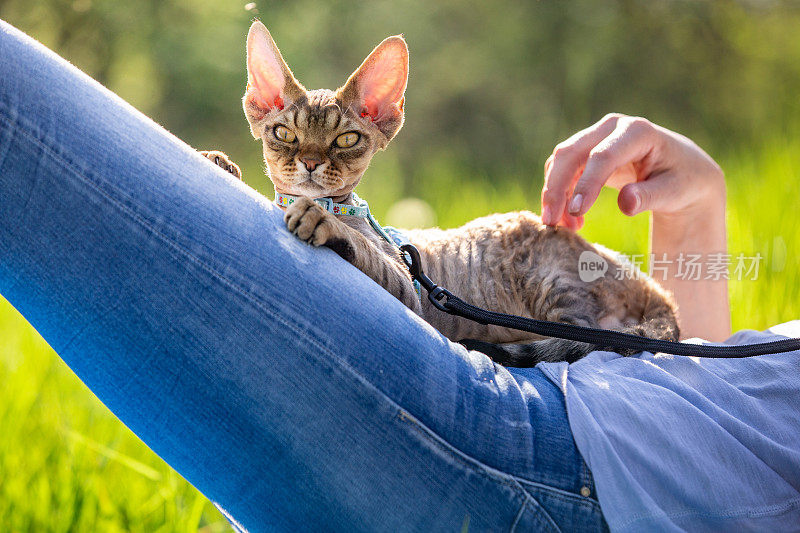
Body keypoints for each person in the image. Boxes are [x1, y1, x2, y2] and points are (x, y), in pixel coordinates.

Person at [0, 19, 797, 532]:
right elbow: (690, 381)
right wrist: (700, 209)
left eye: (337, 148)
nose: (313, 160)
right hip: (583, 409)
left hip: (542, 452)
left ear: (378, 125)